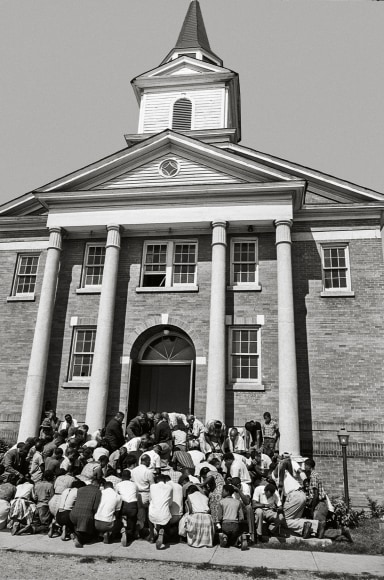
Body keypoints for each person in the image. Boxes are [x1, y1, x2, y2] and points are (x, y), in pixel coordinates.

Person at [70, 476, 102, 547]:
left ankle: (76, 533)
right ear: (98, 484)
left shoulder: (80, 489)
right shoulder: (98, 492)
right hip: (85, 516)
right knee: (88, 535)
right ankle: (79, 538)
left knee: (81, 524)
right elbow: (95, 507)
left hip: (73, 514)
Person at [217, 484, 246, 549]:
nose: (222, 492)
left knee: (221, 527)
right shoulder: (238, 502)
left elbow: (219, 518)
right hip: (235, 525)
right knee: (234, 538)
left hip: (225, 525)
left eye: (223, 491)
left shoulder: (221, 502)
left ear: (227, 492)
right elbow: (241, 518)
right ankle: (239, 539)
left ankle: (224, 536)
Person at [130, 454, 155, 530]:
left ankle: (139, 529)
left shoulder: (133, 471)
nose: (150, 463)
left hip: (136, 494)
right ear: (146, 461)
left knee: (140, 513)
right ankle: (148, 529)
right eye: (149, 461)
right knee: (148, 512)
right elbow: (152, 486)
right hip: (146, 494)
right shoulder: (148, 472)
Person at [148, 473, 173, 549]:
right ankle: (164, 533)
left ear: (157, 480)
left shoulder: (152, 486)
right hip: (164, 515)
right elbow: (170, 503)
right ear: (165, 480)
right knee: (166, 511)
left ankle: (152, 536)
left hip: (153, 514)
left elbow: (150, 499)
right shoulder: (170, 487)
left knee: (150, 511)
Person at [116, 469, 138, 546]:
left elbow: (116, 496)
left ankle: (122, 529)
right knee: (132, 520)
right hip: (132, 505)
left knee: (119, 516)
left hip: (123, 504)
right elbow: (137, 495)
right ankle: (129, 534)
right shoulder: (134, 484)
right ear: (130, 477)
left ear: (121, 477)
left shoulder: (118, 485)